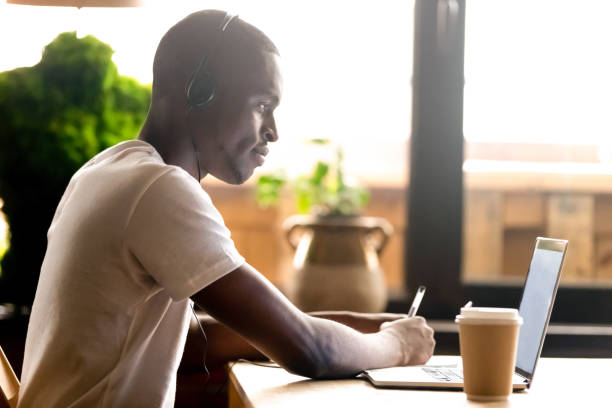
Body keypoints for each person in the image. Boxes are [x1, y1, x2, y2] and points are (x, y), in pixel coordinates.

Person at [17, 10, 435, 408]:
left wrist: (364, 329)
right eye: (261, 105)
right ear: (198, 90)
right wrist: (398, 346)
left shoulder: (106, 170)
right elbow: (309, 351)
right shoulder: (159, 189)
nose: (273, 130)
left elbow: (196, 339)